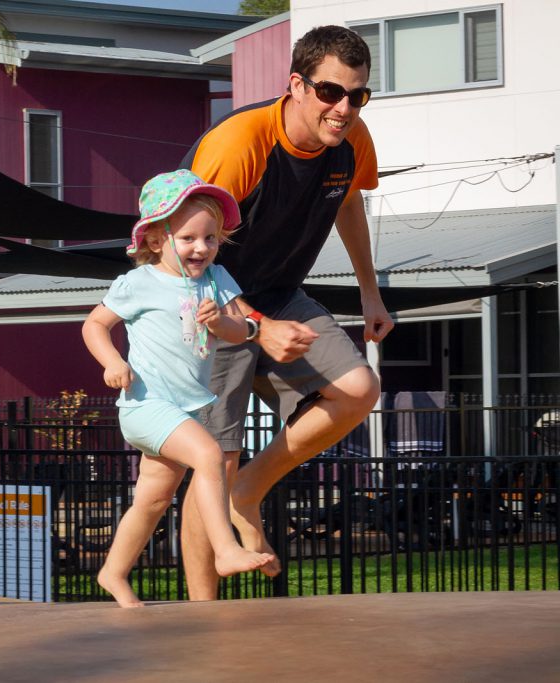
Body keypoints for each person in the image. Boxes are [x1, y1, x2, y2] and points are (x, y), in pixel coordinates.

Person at [177, 25, 394, 598]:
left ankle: (250, 489)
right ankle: (203, 613)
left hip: (278, 292)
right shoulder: (239, 144)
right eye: (329, 92)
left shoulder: (352, 140)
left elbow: (349, 202)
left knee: (357, 389)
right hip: (206, 304)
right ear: (296, 85)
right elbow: (191, 261)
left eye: (357, 95)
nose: (343, 108)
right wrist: (256, 327)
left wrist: (369, 292)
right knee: (212, 463)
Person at [83, 169, 274, 608]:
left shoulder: (216, 279)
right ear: (154, 240)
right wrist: (113, 361)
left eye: (210, 238)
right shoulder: (140, 283)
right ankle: (225, 551)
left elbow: (239, 332)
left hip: (184, 411)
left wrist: (221, 322)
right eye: (188, 238)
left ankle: (112, 572)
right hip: (146, 405)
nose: (201, 248)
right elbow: (95, 324)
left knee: (153, 500)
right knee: (209, 455)